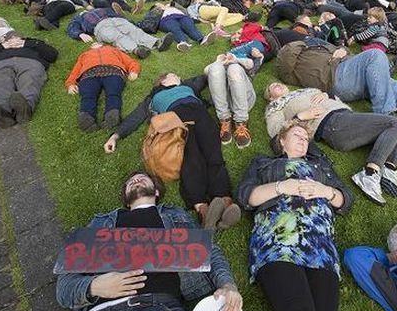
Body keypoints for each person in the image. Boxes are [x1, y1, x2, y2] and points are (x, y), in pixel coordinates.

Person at [56, 171, 243, 311]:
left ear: (156, 191)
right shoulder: (100, 223)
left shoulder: (174, 216)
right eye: (131, 181)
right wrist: (95, 286)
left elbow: (209, 252)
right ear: (126, 200)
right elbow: (64, 287)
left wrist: (228, 285)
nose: (136, 179)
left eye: (142, 177)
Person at [236, 123, 353, 311]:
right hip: (279, 241)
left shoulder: (322, 167)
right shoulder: (263, 163)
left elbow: (346, 201)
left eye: (306, 138)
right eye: (297, 135)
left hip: (320, 247)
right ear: (281, 141)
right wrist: (281, 187)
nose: (302, 140)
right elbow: (247, 196)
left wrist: (326, 191)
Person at [103, 73, 240, 230]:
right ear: (163, 81)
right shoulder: (153, 97)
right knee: (191, 158)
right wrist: (115, 136)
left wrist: (213, 68)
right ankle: (203, 209)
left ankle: (225, 203)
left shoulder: (187, 86)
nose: (178, 76)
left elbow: (201, 79)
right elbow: (136, 117)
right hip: (177, 122)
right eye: (173, 75)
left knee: (214, 155)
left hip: (202, 116)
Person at [265, 82, 397, 205]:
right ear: (271, 96)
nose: (275, 84)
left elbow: (336, 99)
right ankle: (369, 173)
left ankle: (388, 169)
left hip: (347, 115)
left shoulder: (305, 90)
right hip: (331, 124)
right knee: (394, 124)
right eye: (271, 86)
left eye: (277, 83)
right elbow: (276, 132)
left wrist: (326, 95)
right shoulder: (276, 105)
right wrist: (301, 116)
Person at [0, 31, 58, 128]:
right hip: (0, 63)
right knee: (0, 81)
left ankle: (25, 109)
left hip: (30, 61)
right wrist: (1, 47)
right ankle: (3, 114)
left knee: (29, 78)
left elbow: (52, 55)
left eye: (16, 37)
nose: (13, 40)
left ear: (22, 37)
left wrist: (26, 43)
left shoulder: (33, 42)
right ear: (5, 40)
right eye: (10, 38)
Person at [65, 43, 141, 131]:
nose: (95, 43)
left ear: (102, 45)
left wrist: (134, 71)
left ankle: (112, 116)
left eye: (97, 42)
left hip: (112, 71)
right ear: (90, 47)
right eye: (93, 43)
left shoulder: (113, 50)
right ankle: (86, 118)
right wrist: (70, 84)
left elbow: (130, 61)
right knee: (88, 95)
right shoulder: (84, 55)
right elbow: (75, 71)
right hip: (89, 74)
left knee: (113, 93)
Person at [205, 42, 264, 149]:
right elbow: (206, 71)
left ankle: (241, 122)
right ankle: (224, 119)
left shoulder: (244, 57)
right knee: (214, 69)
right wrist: (218, 62)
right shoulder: (219, 64)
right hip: (224, 102)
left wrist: (235, 59)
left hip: (244, 99)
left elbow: (251, 64)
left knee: (234, 69)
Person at [67, 7, 173, 58]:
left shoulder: (99, 9)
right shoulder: (80, 18)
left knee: (133, 30)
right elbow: (72, 28)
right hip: (100, 26)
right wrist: (80, 34)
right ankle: (137, 50)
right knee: (116, 37)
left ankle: (157, 43)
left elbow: (116, 14)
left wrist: (129, 22)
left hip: (114, 20)